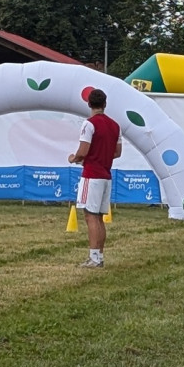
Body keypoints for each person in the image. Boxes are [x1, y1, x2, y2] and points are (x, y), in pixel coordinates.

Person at [68, 88, 122, 268]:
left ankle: (94, 258)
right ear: (105, 104)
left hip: (91, 175)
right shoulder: (116, 125)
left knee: (90, 216)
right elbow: (117, 152)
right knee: (98, 217)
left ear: (89, 104)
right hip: (106, 175)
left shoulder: (89, 124)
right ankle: (99, 255)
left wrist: (74, 158)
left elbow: (83, 151)